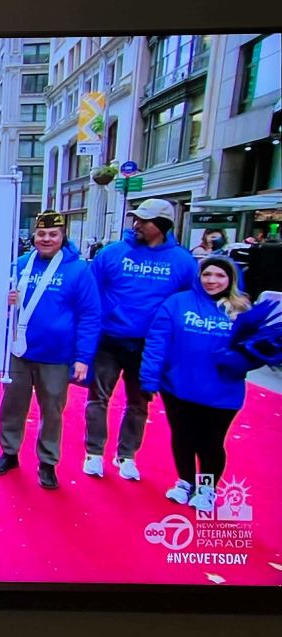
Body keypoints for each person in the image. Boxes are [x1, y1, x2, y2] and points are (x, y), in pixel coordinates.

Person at [83, 198, 196, 480]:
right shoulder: (112, 253)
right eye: (136, 218)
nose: (136, 224)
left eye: (144, 221)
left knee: (139, 403)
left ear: (161, 225)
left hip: (150, 346)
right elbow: (90, 292)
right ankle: (94, 453)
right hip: (109, 339)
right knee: (98, 398)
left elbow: (191, 302)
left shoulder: (183, 262)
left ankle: (127, 456)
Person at [140, 257, 264, 510]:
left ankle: (207, 488)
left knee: (211, 441)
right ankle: (185, 481)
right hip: (178, 387)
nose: (212, 280)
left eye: (220, 275)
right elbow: (157, 342)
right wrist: (149, 378)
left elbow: (260, 351)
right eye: (207, 274)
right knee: (183, 437)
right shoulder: (177, 303)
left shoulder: (242, 310)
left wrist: (240, 361)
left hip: (222, 391)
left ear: (231, 279)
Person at [0, 211, 101, 489]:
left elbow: (90, 315)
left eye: (53, 234)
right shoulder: (21, 264)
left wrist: (83, 358)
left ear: (63, 236)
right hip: (19, 351)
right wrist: (6, 300)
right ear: (34, 236)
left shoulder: (78, 270)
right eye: (41, 234)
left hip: (56, 355)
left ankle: (48, 462)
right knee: (12, 405)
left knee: (52, 409)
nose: (46, 239)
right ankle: (9, 452)